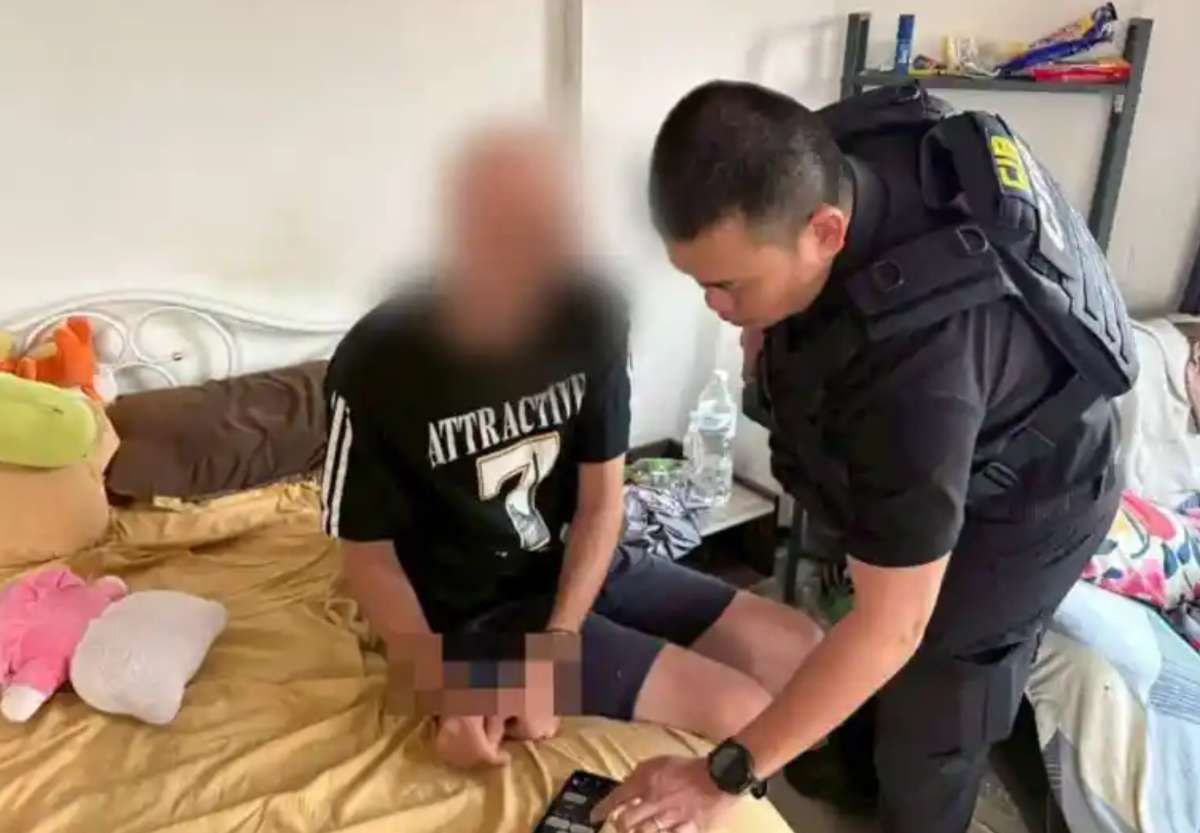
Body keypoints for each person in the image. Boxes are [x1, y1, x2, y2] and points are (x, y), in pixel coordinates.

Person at [593, 81, 1134, 833]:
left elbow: (892, 627)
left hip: (1029, 503)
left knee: (934, 714)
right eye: (700, 282)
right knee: (865, 643)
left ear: (826, 232)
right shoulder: (835, 147)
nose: (715, 307)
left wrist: (722, 777)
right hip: (964, 430)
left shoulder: (916, 379)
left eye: (729, 285)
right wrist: (762, 320)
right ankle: (847, 764)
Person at [320, 126, 822, 771]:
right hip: (470, 612)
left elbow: (601, 503)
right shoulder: (378, 364)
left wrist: (558, 644)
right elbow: (367, 557)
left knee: (801, 646)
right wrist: (441, 688)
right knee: (742, 711)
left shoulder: (592, 317)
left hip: (581, 566)